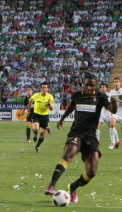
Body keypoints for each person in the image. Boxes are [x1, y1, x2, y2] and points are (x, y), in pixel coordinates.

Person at [44, 74, 117, 202]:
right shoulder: (77, 95)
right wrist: (62, 118)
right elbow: (72, 106)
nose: (89, 87)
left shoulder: (100, 96)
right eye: (87, 84)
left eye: (92, 85)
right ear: (84, 84)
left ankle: (73, 188)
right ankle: (52, 184)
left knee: (92, 171)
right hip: (76, 132)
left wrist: (114, 103)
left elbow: (112, 110)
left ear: (96, 86)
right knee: (68, 154)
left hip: (91, 137)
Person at [27, 82, 54, 153]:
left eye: (45, 87)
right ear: (40, 88)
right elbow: (30, 101)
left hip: (45, 116)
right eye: (43, 87)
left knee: (42, 135)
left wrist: (49, 104)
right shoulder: (36, 95)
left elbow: (52, 108)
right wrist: (29, 110)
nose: (44, 89)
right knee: (35, 128)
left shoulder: (50, 97)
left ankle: (37, 146)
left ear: (47, 89)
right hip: (37, 115)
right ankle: (35, 134)